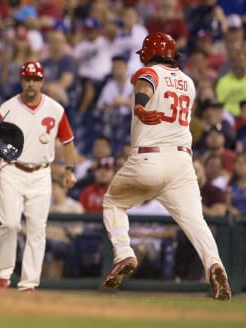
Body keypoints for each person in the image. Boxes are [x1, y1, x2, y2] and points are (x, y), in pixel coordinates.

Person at [100, 32, 231, 300]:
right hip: (183, 163)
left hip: (149, 157)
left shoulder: (148, 71)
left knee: (113, 203)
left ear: (148, 53)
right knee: (195, 221)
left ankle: (124, 252)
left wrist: (140, 106)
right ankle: (214, 266)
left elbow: (145, 84)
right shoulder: (189, 82)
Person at [0, 61, 77, 292]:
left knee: (37, 228)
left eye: (35, 79)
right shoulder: (8, 107)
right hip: (12, 169)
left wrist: (69, 169)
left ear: (42, 81)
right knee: (10, 223)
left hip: (41, 173)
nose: (31, 83)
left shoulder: (55, 108)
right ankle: (3, 276)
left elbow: (67, 140)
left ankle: (29, 283)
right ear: (21, 81)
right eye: (27, 79)